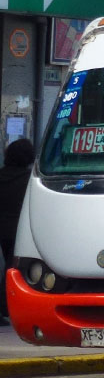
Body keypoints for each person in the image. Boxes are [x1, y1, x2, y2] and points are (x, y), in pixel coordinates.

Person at [0, 139, 35, 324]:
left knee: (7, 266)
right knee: (13, 269)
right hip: (18, 231)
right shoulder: (28, 180)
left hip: (3, 228)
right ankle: (7, 306)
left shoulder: (2, 176)